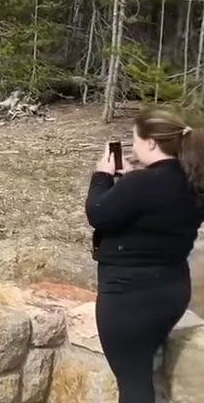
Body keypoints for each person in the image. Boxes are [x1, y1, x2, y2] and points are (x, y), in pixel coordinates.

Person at [86, 107, 204, 403]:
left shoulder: (141, 184)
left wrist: (101, 176)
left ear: (151, 142)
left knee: (134, 382)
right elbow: (155, 206)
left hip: (129, 298)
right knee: (139, 370)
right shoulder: (193, 181)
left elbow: (99, 213)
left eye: (135, 139)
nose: (133, 145)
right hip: (172, 292)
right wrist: (130, 183)